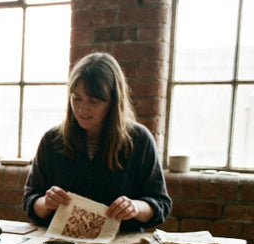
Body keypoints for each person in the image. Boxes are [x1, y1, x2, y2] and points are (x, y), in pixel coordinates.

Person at [22, 52, 172, 232]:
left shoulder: (139, 140)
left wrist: (135, 207)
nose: (82, 109)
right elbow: (30, 201)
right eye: (76, 98)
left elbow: (161, 204)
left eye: (94, 101)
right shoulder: (52, 140)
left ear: (113, 102)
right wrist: (46, 203)